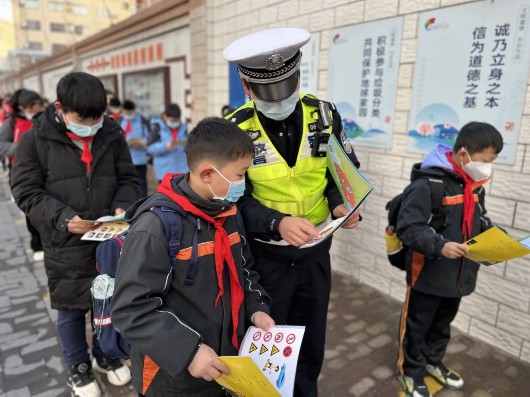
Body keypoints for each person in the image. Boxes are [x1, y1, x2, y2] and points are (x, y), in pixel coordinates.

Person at [223, 28, 362, 396]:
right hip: (266, 259)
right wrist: (276, 223)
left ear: (299, 76)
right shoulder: (236, 131)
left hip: (316, 252)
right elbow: (232, 199)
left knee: (311, 342)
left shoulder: (325, 116)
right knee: (267, 348)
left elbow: (342, 172)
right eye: (269, 91)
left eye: (288, 86)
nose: (281, 99)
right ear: (246, 86)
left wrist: (340, 205)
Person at [111, 117, 274, 397]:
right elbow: (131, 309)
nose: (243, 184)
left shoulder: (227, 212)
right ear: (207, 174)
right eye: (239, 174)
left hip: (223, 366)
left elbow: (245, 269)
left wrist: (257, 307)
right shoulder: (155, 226)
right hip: (172, 380)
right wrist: (188, 351)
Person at [10, 72, 140, 397]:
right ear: (60, 108)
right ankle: (77, 368)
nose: (93, 125)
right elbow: (25, 190)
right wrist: (64, 218)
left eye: (99, 116)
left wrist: (123, 207)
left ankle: (104, 356)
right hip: (63, 240)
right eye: (85, 119)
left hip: (107, 241)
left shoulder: (110, 131)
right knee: (70, 309)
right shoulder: (35, 139)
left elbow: (128, 177)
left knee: (105, 302)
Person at [395, 122, 504, 397]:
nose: (487, 167)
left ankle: (433, 362)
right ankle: (411, 371)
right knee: (417, 326)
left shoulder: (476, 187)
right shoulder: (426, 185)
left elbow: (478, 219)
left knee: (442, 323)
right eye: (485, 160)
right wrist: (440, 246)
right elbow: (408, 228)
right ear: (464, 153)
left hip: (459, 275)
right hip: (427, 275)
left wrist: (497, 239)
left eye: (492, 161)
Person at [0, 89, 45, 260]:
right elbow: (2, 144)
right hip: (22, 169)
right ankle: (36, 244)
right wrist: (21, 150)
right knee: (31, 209)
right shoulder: (11, 123)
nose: (37, 109)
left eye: (39, 105)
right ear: (23, 107)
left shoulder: (43, 120)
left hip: (45, 169)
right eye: (34, 107)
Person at [147, 103, 188, 184]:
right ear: (165, 116)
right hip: (164, 173)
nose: (174, 123)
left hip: (182, 171)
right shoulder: (157, 128)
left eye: (176, 120)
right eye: (172, 120)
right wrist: (164, 147)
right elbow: (150, 148)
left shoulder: (184, 128)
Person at [120, 100, 150, 197]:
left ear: (134, 111)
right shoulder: (120, 120)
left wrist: (142, 142)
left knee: (141, 182)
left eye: (130, 113)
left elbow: (149, 137)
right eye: (126, 113)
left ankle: (142, 201)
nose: (128, 115)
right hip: (125, 158)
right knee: (126, 182)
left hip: (140, 159)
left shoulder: (142, 120)